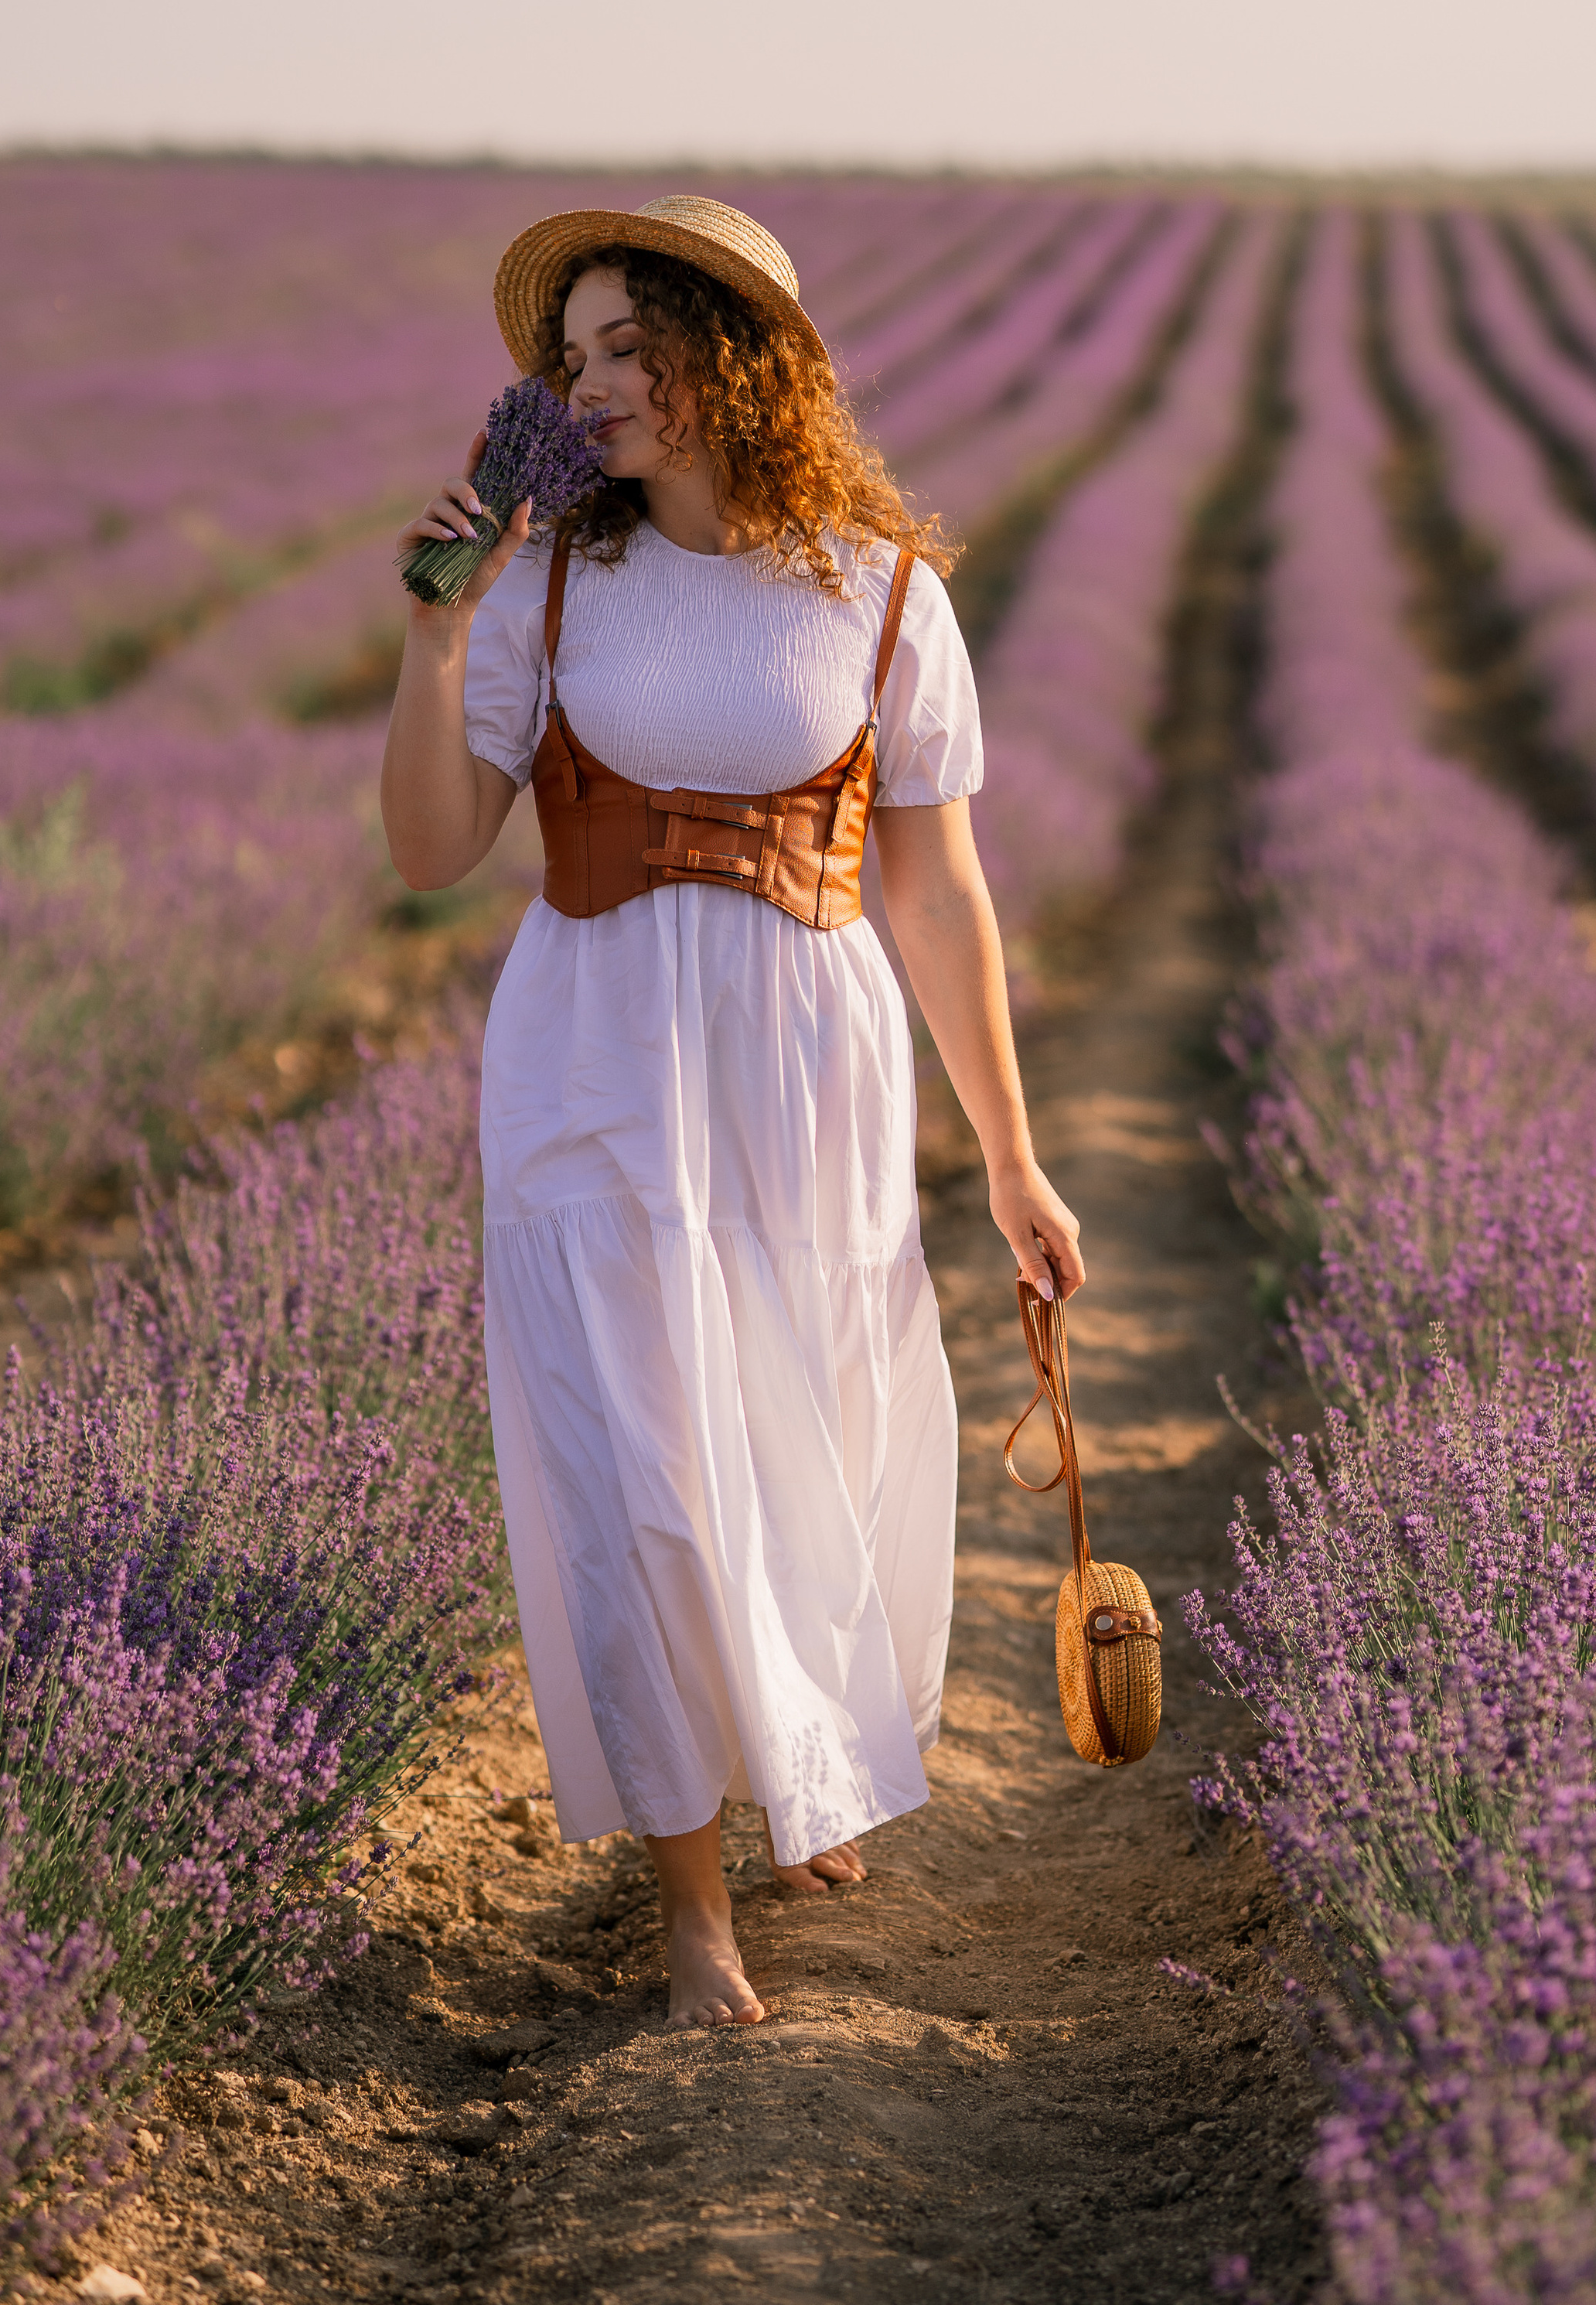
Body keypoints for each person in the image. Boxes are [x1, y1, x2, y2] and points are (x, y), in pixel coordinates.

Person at [380, 196, 1083, 2031]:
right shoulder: (548, 583)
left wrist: (1010, 1157)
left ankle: (798, 1754)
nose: (593, 385)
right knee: (645, 1458)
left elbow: (937, 895)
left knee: (815, 1419)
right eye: (573, 357)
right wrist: (435, 633)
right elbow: (432, 852)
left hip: (805, 1064)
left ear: (734, 361)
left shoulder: (880, 591)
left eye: (632, 348)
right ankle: (693, 1905)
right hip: (593, 1055)